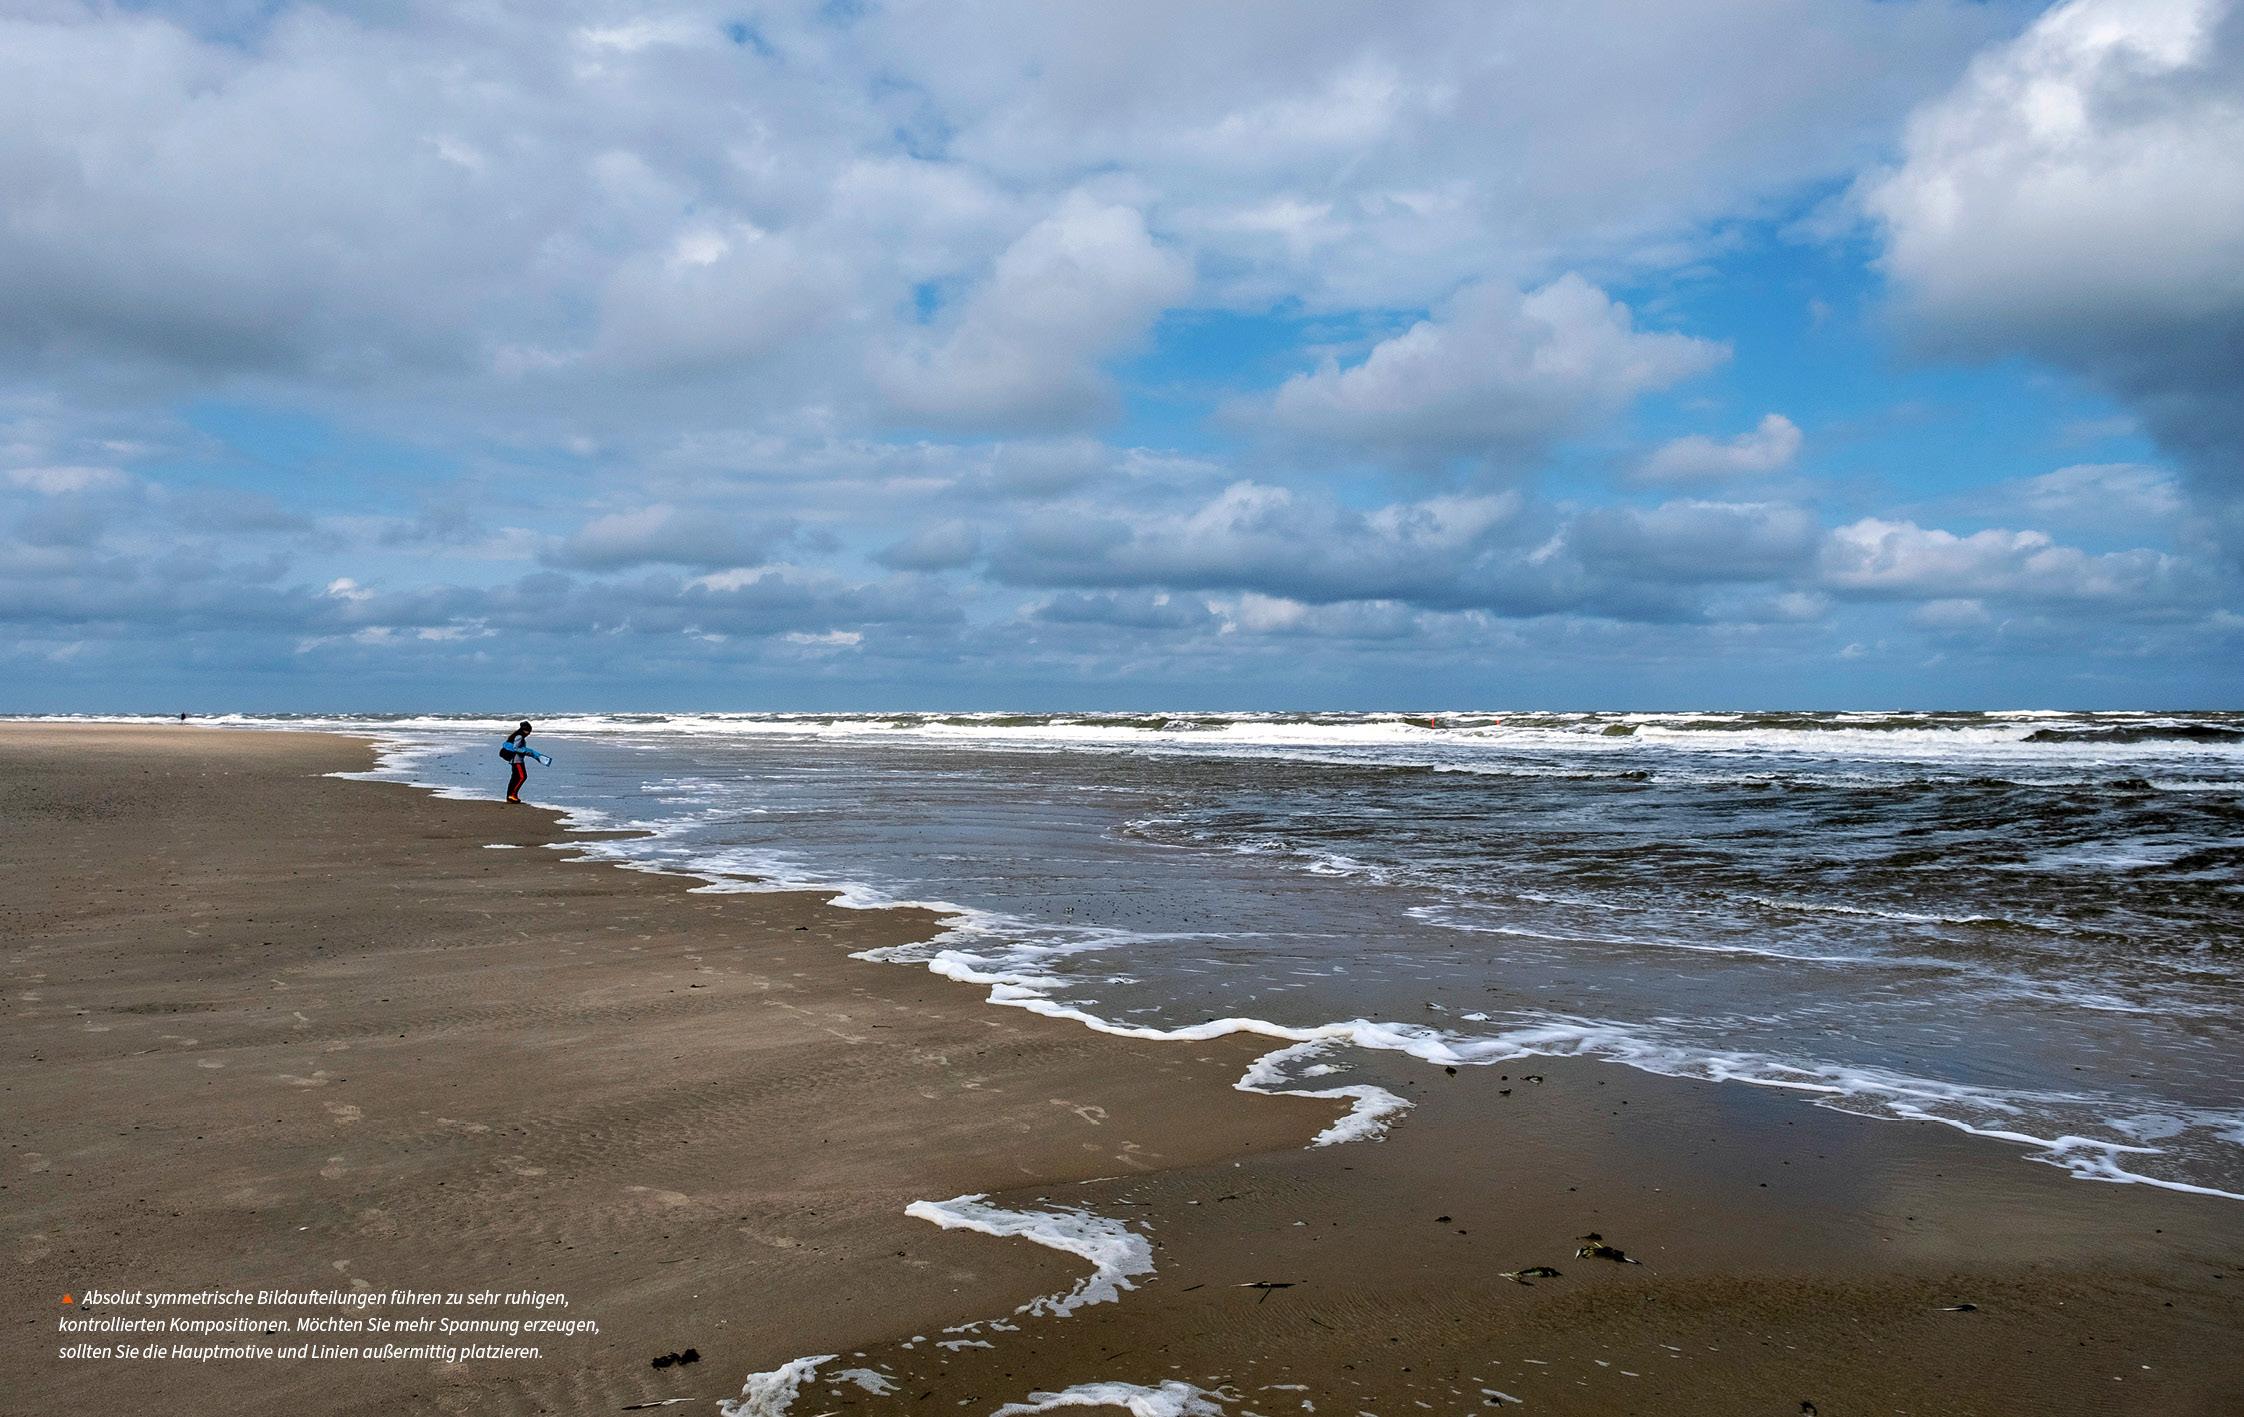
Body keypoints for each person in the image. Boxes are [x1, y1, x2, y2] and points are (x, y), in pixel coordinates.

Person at [502, 721, 534, 803]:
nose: (529, 733)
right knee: (522, 777)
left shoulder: (517, 735)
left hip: (517, 760)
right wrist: (527, 752)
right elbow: (515, 748)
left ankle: (510, 796)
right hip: (517, 761)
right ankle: (512, 795)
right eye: (529, 731)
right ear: (525, 730)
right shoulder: (519, 737)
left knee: (515, 778)